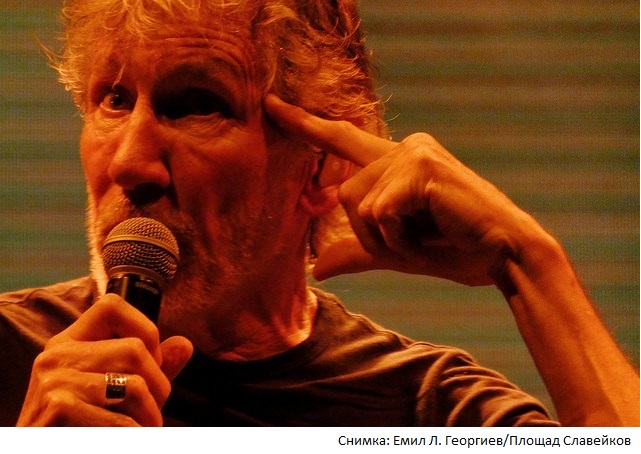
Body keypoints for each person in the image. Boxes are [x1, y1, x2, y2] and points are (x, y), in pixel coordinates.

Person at [0, 0, 638, 427]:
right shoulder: (11, 353)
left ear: (321, 165)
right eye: (114, 100)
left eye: (197, 104)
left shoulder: (431, 410)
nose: (130, 163)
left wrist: (526, 260)